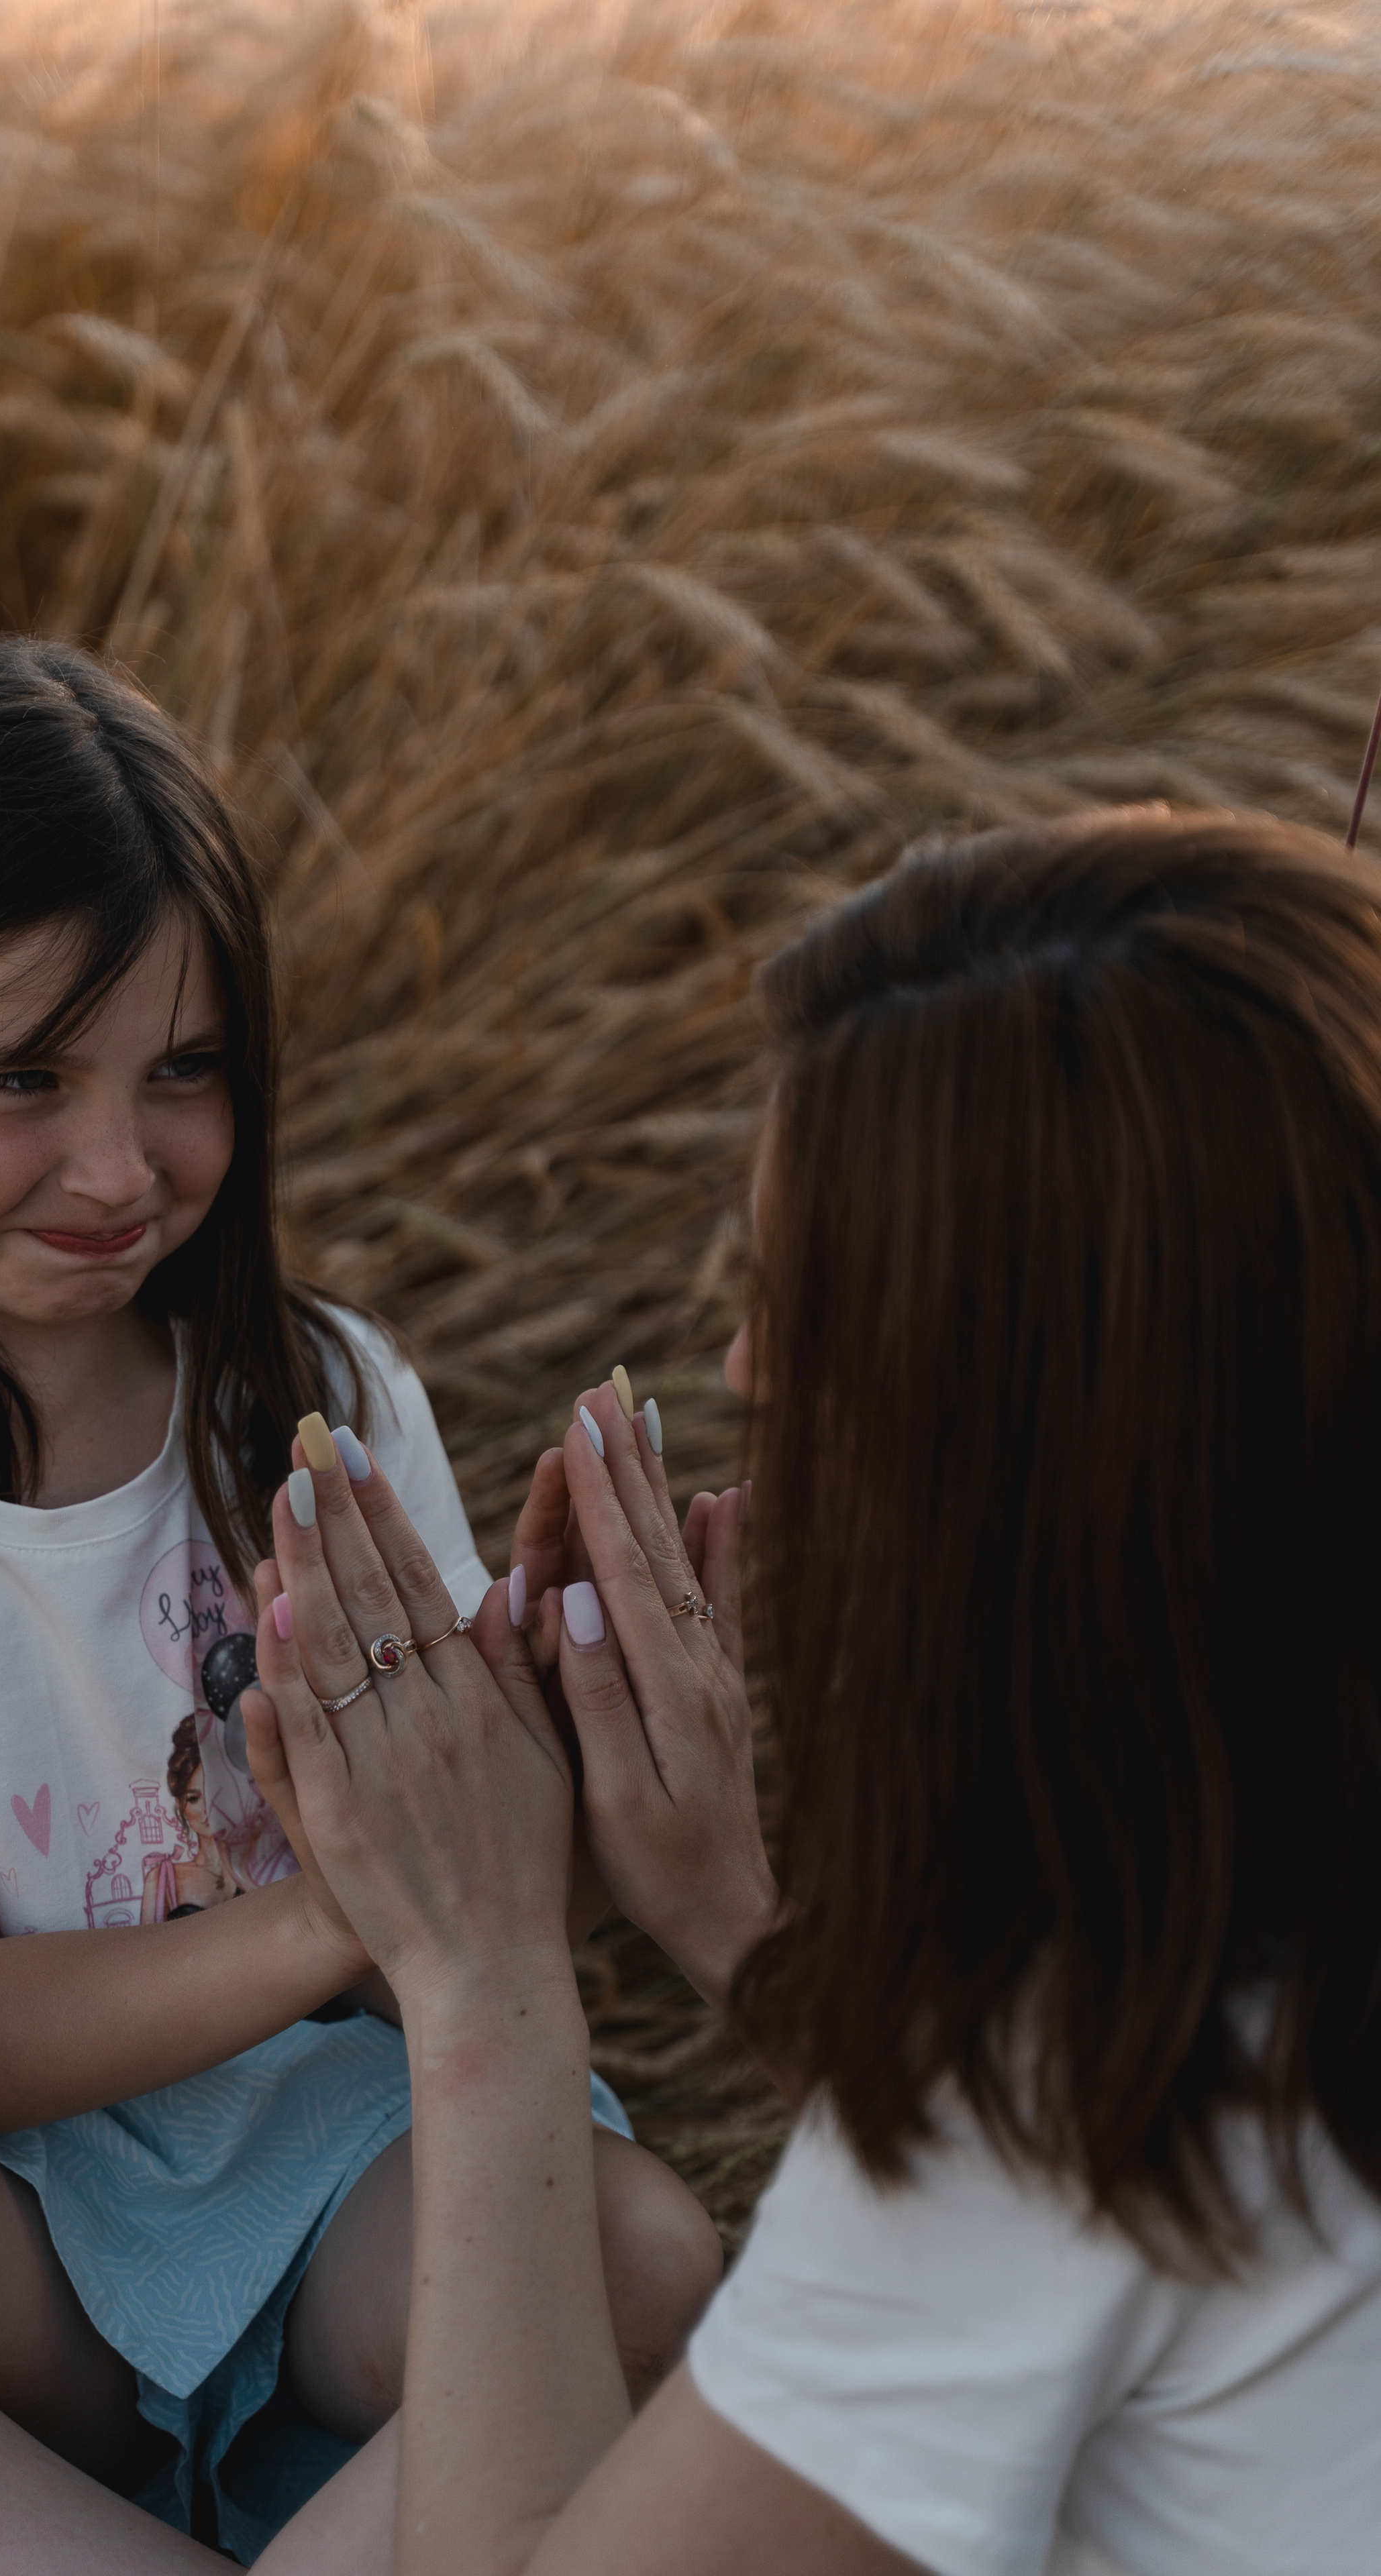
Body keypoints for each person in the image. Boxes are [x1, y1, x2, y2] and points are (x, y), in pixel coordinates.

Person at [0, 639, 721, 2575]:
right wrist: (355, 1891)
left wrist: (568, 1745)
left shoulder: (315, 1397)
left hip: (332, 2164)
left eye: (184, 1071)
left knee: (638, 2265)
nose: (116, 1164)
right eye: (20, 1079)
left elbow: (479, 1939)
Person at [241, 807, 1381, 2576]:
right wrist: (726, 1915)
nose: (747, 1365)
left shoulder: (1068, 2116)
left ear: (1040, 1429)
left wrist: (484, 1978)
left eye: (810, 1303)